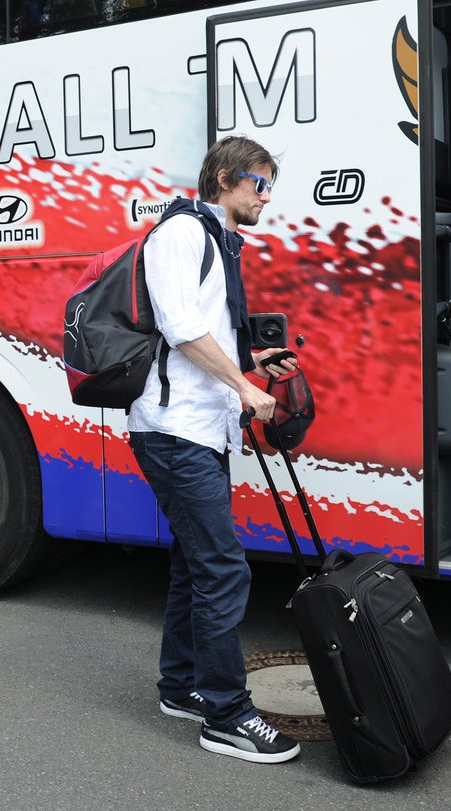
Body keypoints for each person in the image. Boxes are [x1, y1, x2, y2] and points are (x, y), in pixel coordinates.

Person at [127, 136, 301, 763]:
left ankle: (181, 685)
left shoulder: (217, 239)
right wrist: (246, 386)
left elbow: (205, 335)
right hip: (174, 429)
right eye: (260, 183)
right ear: (227, 178)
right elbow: (180, 329)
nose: (266, 196)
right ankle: (226, 714)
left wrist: (253, 362)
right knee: (224, 568)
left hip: (200, 425)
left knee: (193, 563)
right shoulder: (181, 234)